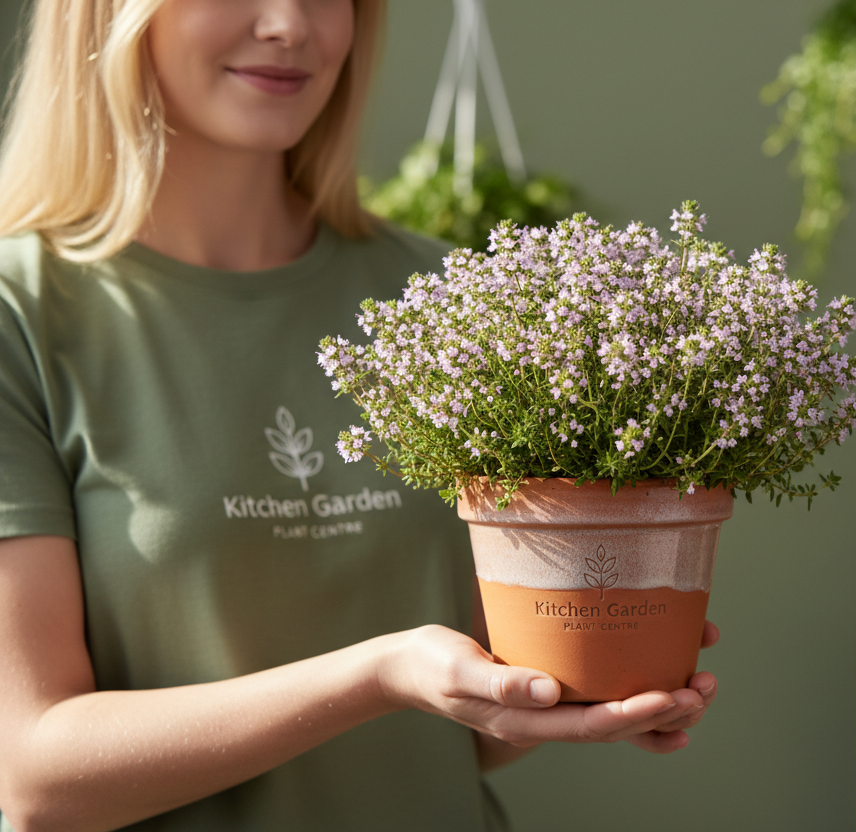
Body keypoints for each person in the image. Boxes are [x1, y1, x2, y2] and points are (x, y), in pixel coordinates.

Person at [0, 1, 719, 829]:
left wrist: (579, 672)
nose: (289, 24)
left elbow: (469, 734)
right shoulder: (24, 316)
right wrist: (380, 677)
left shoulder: (454, 301)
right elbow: (32, 777)